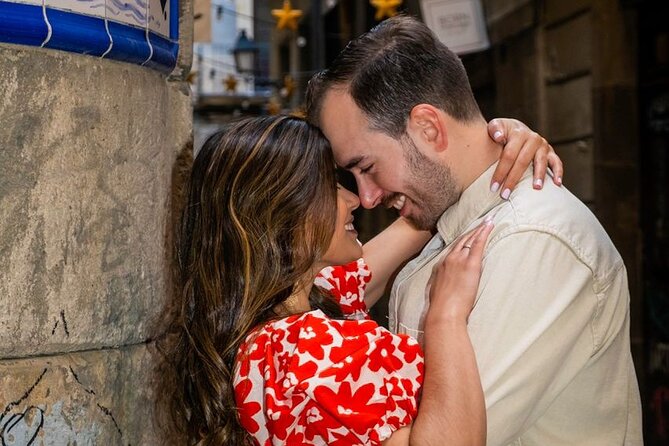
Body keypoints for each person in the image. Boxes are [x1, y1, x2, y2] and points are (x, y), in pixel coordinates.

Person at [305, 15, 643, 445]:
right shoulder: (453, 221)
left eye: (366, 167)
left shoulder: (530, 240)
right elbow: (321, 294)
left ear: (428, 128)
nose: (366, 198)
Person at [163, 114, 558, 446]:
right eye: (330, 187)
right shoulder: (305, 350)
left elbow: (425, 211)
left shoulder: (294, 310)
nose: (355, 199)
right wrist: (446, 316)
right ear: (283, 216)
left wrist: (500, 149)